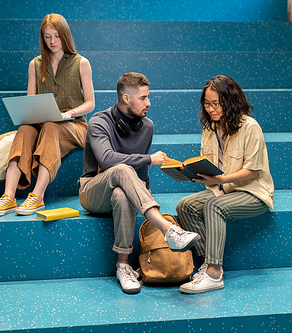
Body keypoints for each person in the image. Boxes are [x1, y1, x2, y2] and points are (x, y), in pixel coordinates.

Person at [78, 72, 201, 294]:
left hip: (121, 192)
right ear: (126, 98)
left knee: (122, 195)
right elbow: (106, 160)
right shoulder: (99, 122)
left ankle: (123, 266)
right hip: (92, 191)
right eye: (143, 98)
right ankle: (168, 229)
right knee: (122, 169)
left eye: (148, 97)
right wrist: (148, 158)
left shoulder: (147, 126)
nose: (149, 103)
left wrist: (146, 194)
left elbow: (141, 175)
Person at [0, 13, 95, 216]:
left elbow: (90, 103)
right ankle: (8, 197)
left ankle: (37, 196)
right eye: (47, 37)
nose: (52, 41)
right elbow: (31, 102)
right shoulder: (35, 64)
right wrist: (30, 116)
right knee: (26, 129)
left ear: (65, 35)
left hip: (75, 125)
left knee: (51, 126)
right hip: (44, 123)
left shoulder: (81, 63)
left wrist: (67, 114)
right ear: (42, 38)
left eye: (56, 36)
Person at [176, 75, 274, 294]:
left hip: (253, 192)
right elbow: (209, 164)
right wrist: (193, 171)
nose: (210, 109)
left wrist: (220, 180)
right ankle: (206, 262)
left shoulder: (250, 127)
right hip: (221, 189)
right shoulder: (209, 128)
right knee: (185, 206)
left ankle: (214, 273)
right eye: (207, 104)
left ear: (229, 101)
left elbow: (252, 170)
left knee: (214, 207)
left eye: (215, 104)